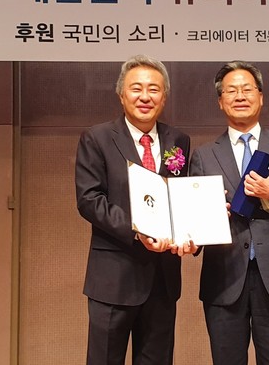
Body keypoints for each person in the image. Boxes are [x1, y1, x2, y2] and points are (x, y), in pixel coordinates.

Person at [189, 61, 269, 365]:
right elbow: (193, 220)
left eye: (247, 89)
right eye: (231, 91)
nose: (240, 96)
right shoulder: (204, 155)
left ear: (261, 97)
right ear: (220, 101)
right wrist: (209, 219)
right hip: (223, 279)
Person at [75, 54, 194, 365]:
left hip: (163, 279)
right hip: (113, 278)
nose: (145, 96)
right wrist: (137, 230)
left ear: (164, 97)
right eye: (136, 88)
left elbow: (181, 198)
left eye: (154, 89)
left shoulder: (179, 140)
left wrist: (196, 225)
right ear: (121, 94)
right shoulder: (97, 138)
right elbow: (89, 199)